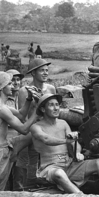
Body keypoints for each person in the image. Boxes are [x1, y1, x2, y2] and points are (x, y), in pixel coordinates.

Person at [30, 93, 99, 196]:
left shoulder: (63, 123)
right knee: (59, 173)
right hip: (51, 168)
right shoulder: (36, 127)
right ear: (43, 109)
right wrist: (65, 141)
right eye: (51, 105)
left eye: (57, 105)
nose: (56, 108)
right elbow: (46, 139)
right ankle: (80, 195)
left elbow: (73, 142)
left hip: (70, 166)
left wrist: (77, 152)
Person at [0, 71, 39, 191]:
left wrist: (29, 98)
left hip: (0, 150)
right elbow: (24, 129)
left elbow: (21, 115)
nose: (13, 86)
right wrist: (38, 110)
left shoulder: (0, 105)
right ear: (2, 88)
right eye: (9, 84)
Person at [16, 58, 57, 188]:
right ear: (33, 73)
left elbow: (55, 111)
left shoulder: (51, 89)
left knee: (49, 161)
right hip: (31, 131)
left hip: (47, 130)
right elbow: (22, 117)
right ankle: (26, 188)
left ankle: (46, 185)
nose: (45, 73)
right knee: (29, 163)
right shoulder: (24, 91)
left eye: (47, 70)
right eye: (42, 70)